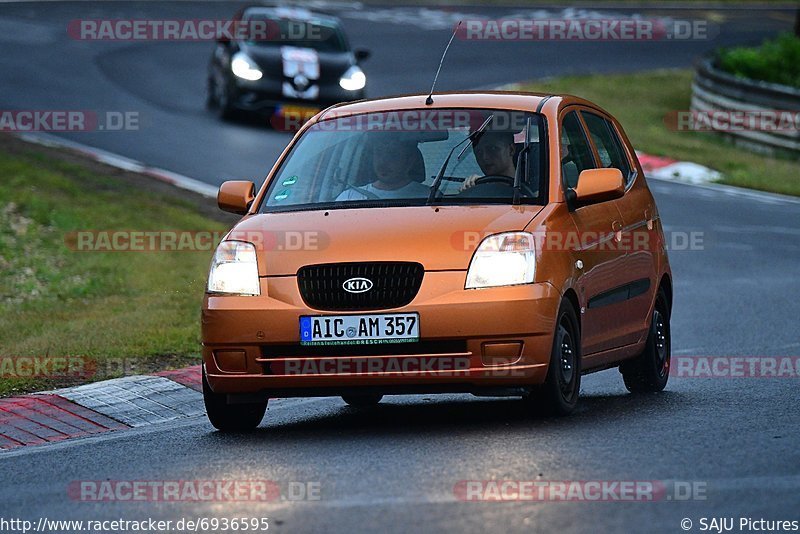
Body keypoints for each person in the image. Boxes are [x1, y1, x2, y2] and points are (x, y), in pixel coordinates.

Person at [336, 138, 429, 201]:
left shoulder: (430, 198)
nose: (383, 161)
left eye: (393, 154)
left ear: (409, 160)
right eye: (379, 153)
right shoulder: (348, 198)